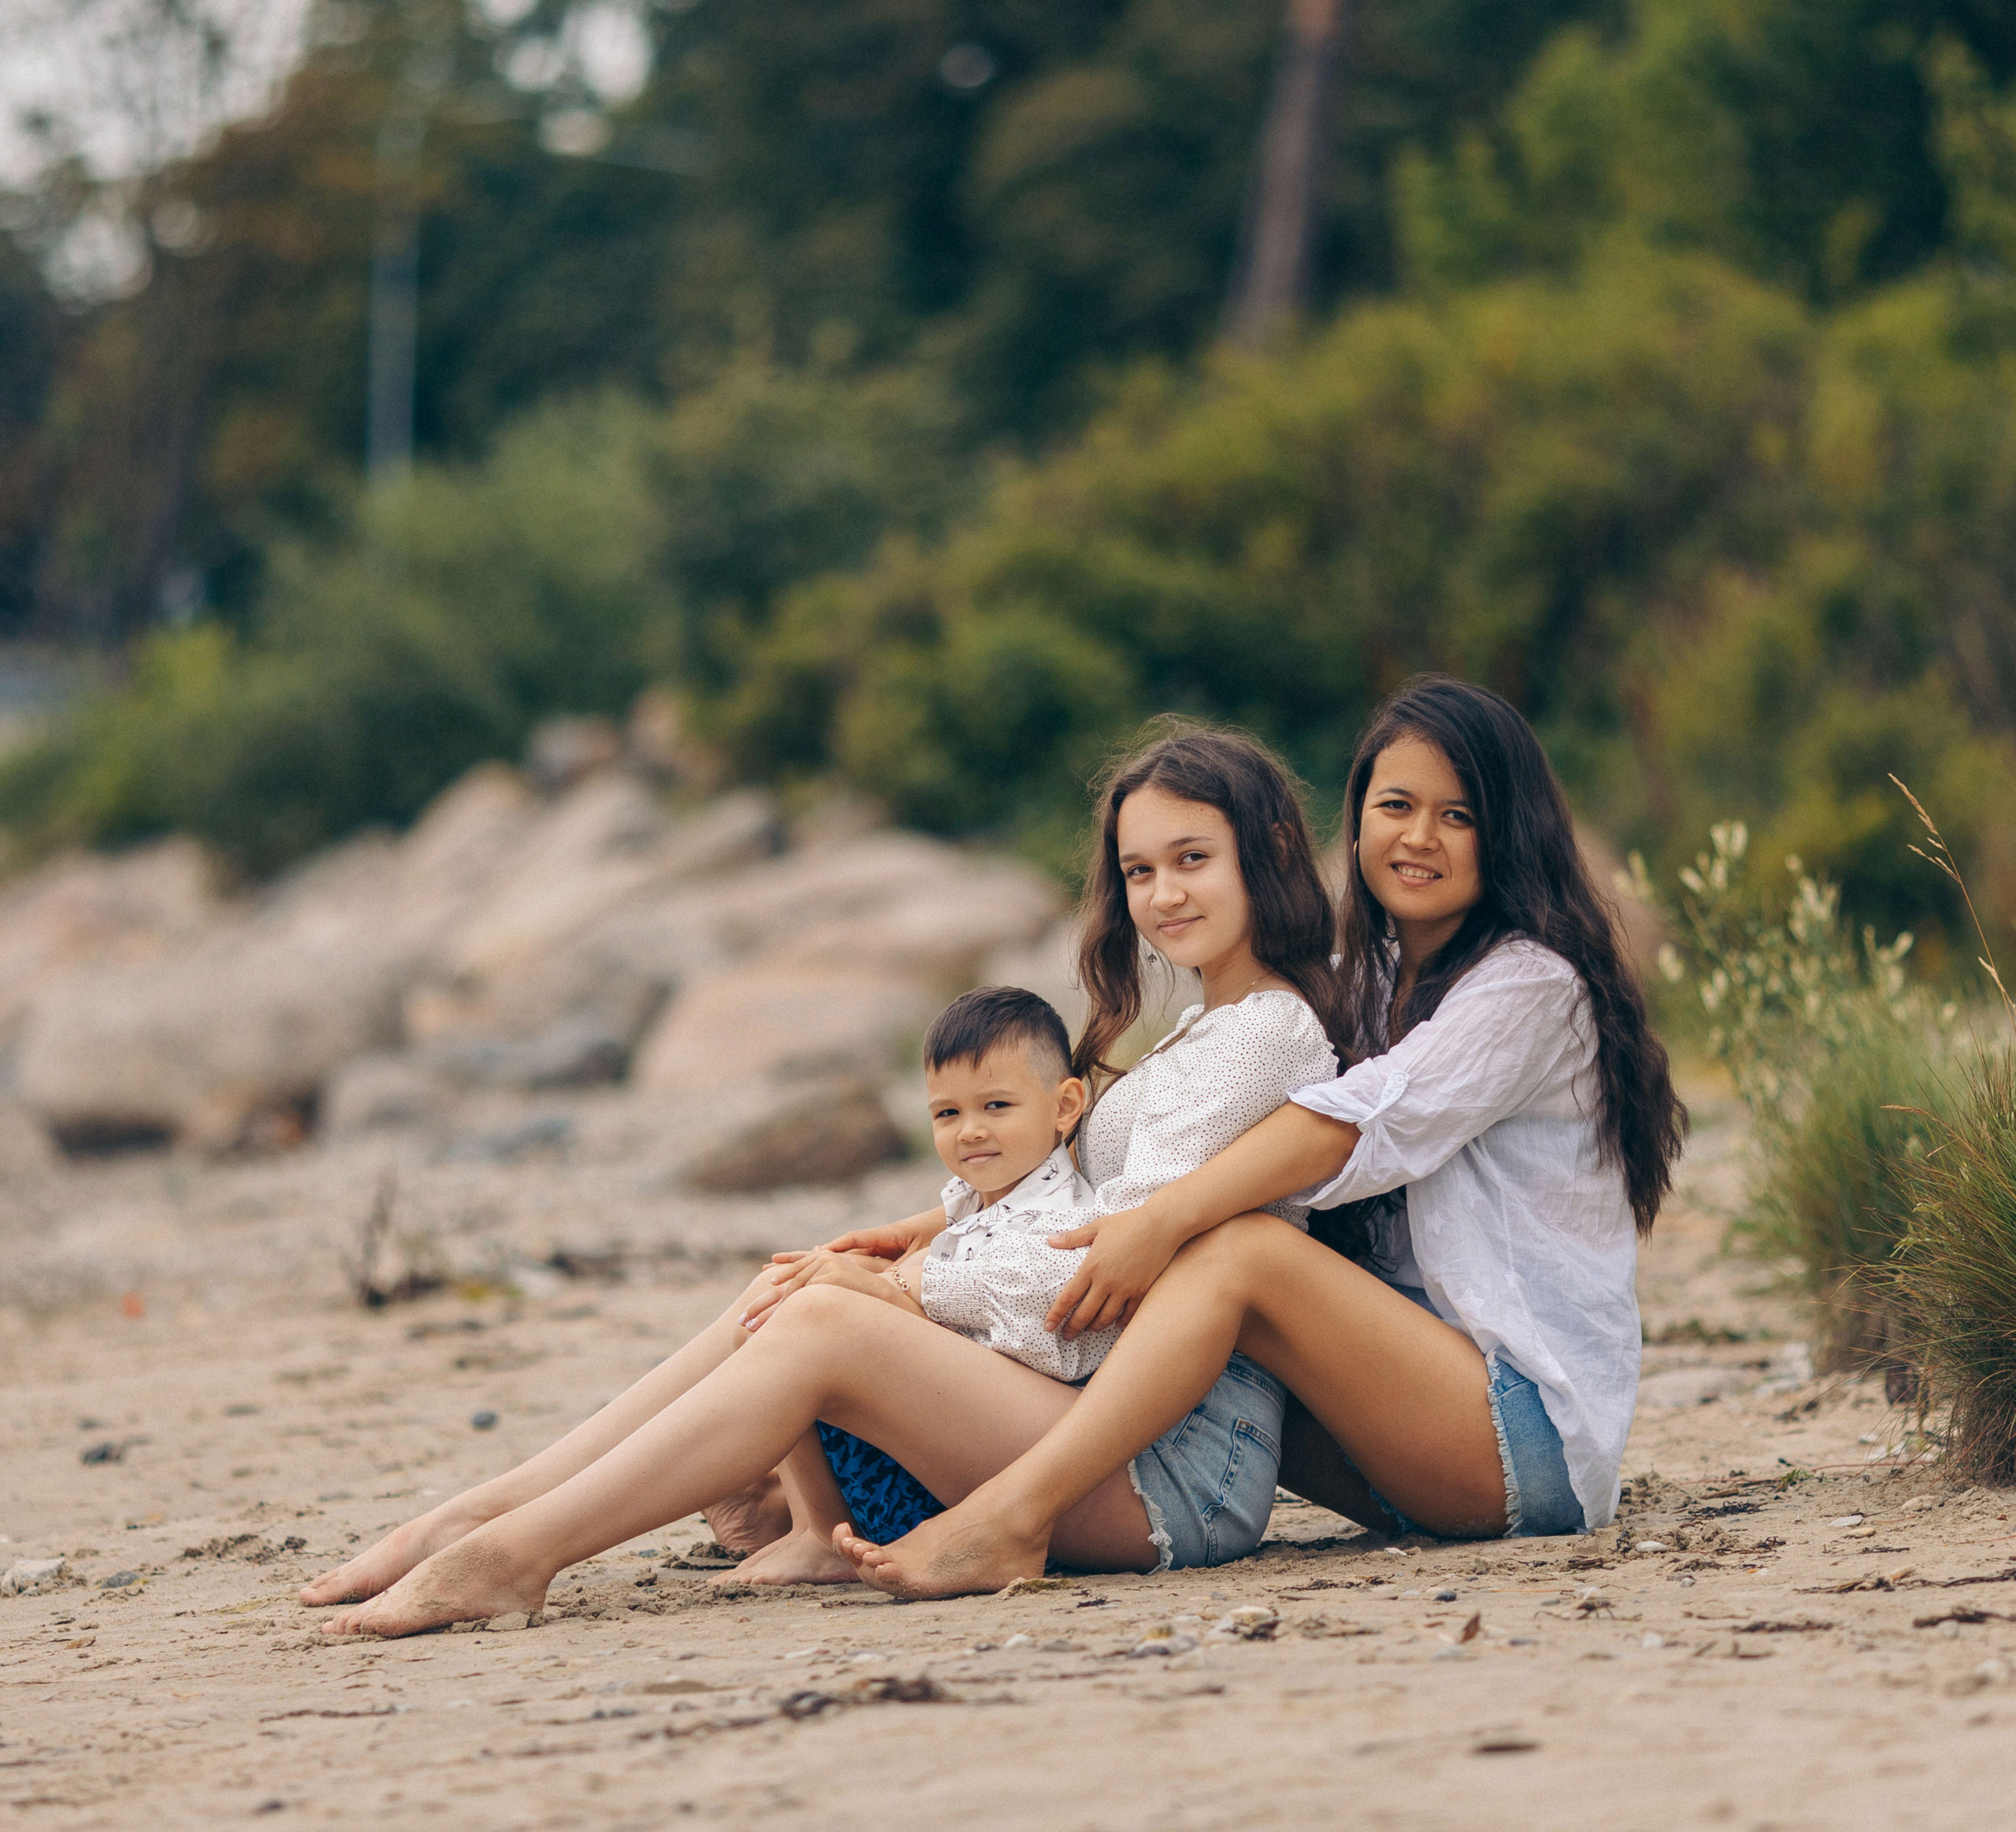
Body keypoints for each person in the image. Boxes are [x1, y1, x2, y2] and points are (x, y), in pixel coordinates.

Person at [302, 725, 1343, 1637]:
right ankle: (491, 1512)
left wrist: (903, 1289)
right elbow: (1064, 1201)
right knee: (797, 1283)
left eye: (1192, 859)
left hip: (1175, 1470)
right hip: (1108, 1427)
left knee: (825, 1316)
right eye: (1139, 870)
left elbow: (1101, 1285)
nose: (1162, 894)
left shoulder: (1263, 1035)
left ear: (1270, 851)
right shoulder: (1205, 1028)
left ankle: (512, 1554)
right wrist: (900, 1245)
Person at [835, 676, 1688, 1600]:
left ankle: (1013, 1515)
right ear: (1354, 822)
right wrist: (933, 1229)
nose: (1418, 836)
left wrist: (1161, 1221)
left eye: (1458, 815)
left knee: (1237, 1245)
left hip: (1522, 1437)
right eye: (1395, 806)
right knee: (1174, 1277)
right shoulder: (1363, 979)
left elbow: (1344, 1128)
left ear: (1509, 832)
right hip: (1385, 1426)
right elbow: (1160, 1153)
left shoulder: (1529, 985)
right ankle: (866, 1488)